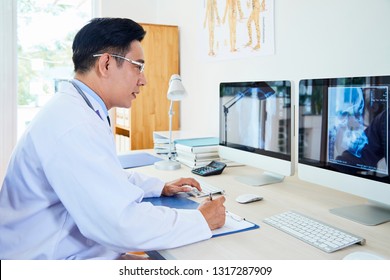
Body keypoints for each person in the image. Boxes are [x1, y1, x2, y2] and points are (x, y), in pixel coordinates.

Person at [0, 18, 226, 260]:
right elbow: (121, 225)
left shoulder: (78, 109)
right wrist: (200, 220)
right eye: (137, 66)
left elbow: (105, 176)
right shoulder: (74, 124)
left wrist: (159, 187)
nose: (143, 79)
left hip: (68, 248)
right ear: (106, 63)